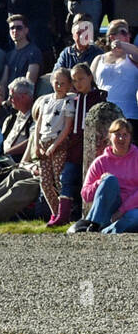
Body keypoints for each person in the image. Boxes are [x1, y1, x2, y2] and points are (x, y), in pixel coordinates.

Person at [49, 62, 109, 226]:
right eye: (74, 80)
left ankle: (92, 215)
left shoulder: (102, 97)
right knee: (67, 177)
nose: (78, 83)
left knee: (90, 179)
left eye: (81, 78)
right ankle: (63, 215)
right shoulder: (72, 99)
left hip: (93, 145)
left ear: (90, 77)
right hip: (75, 145)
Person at [71, 118, 138, 233]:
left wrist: (122, 210)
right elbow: (85, 195)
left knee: (134, 217)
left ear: (130, 137)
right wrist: (100, 182)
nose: (121, 138)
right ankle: (95, 224)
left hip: (130, 208)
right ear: (110, 137)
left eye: (125, 135)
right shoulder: (100, 162)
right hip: (106, 210)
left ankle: (102, 232)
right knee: (110, 180)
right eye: (117, 135)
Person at [33, 67, 78, 222]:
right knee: (45, 182)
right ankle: (55, 212)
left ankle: (65, 213)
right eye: (56, 82)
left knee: (59, 180)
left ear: (69, 85)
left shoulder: (68, 102)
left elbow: (67, 126)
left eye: (62, 83)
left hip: (58, 142)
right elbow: (38, 124)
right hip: (43, 141)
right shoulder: (45, 100)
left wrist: (55, 145)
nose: (58, 86)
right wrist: (36, 144)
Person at [90, 19, 138, 130]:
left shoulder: (132, 57)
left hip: (128, 114)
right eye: (123, 32)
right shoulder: (99, 59)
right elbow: (90, 82)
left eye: (128, 33)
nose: (128, 36)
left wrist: (121, 44)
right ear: (112, 36)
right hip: (103, 114)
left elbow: (136, 52)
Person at [1, 14, 42, 90]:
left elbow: (30, 82)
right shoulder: (9, 55)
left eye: (19, 28)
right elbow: (3, 82)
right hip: (9, 97)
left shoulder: (34, 52)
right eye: (12, 28)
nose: (15, 31)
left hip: (24, 96)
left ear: (26, 30)